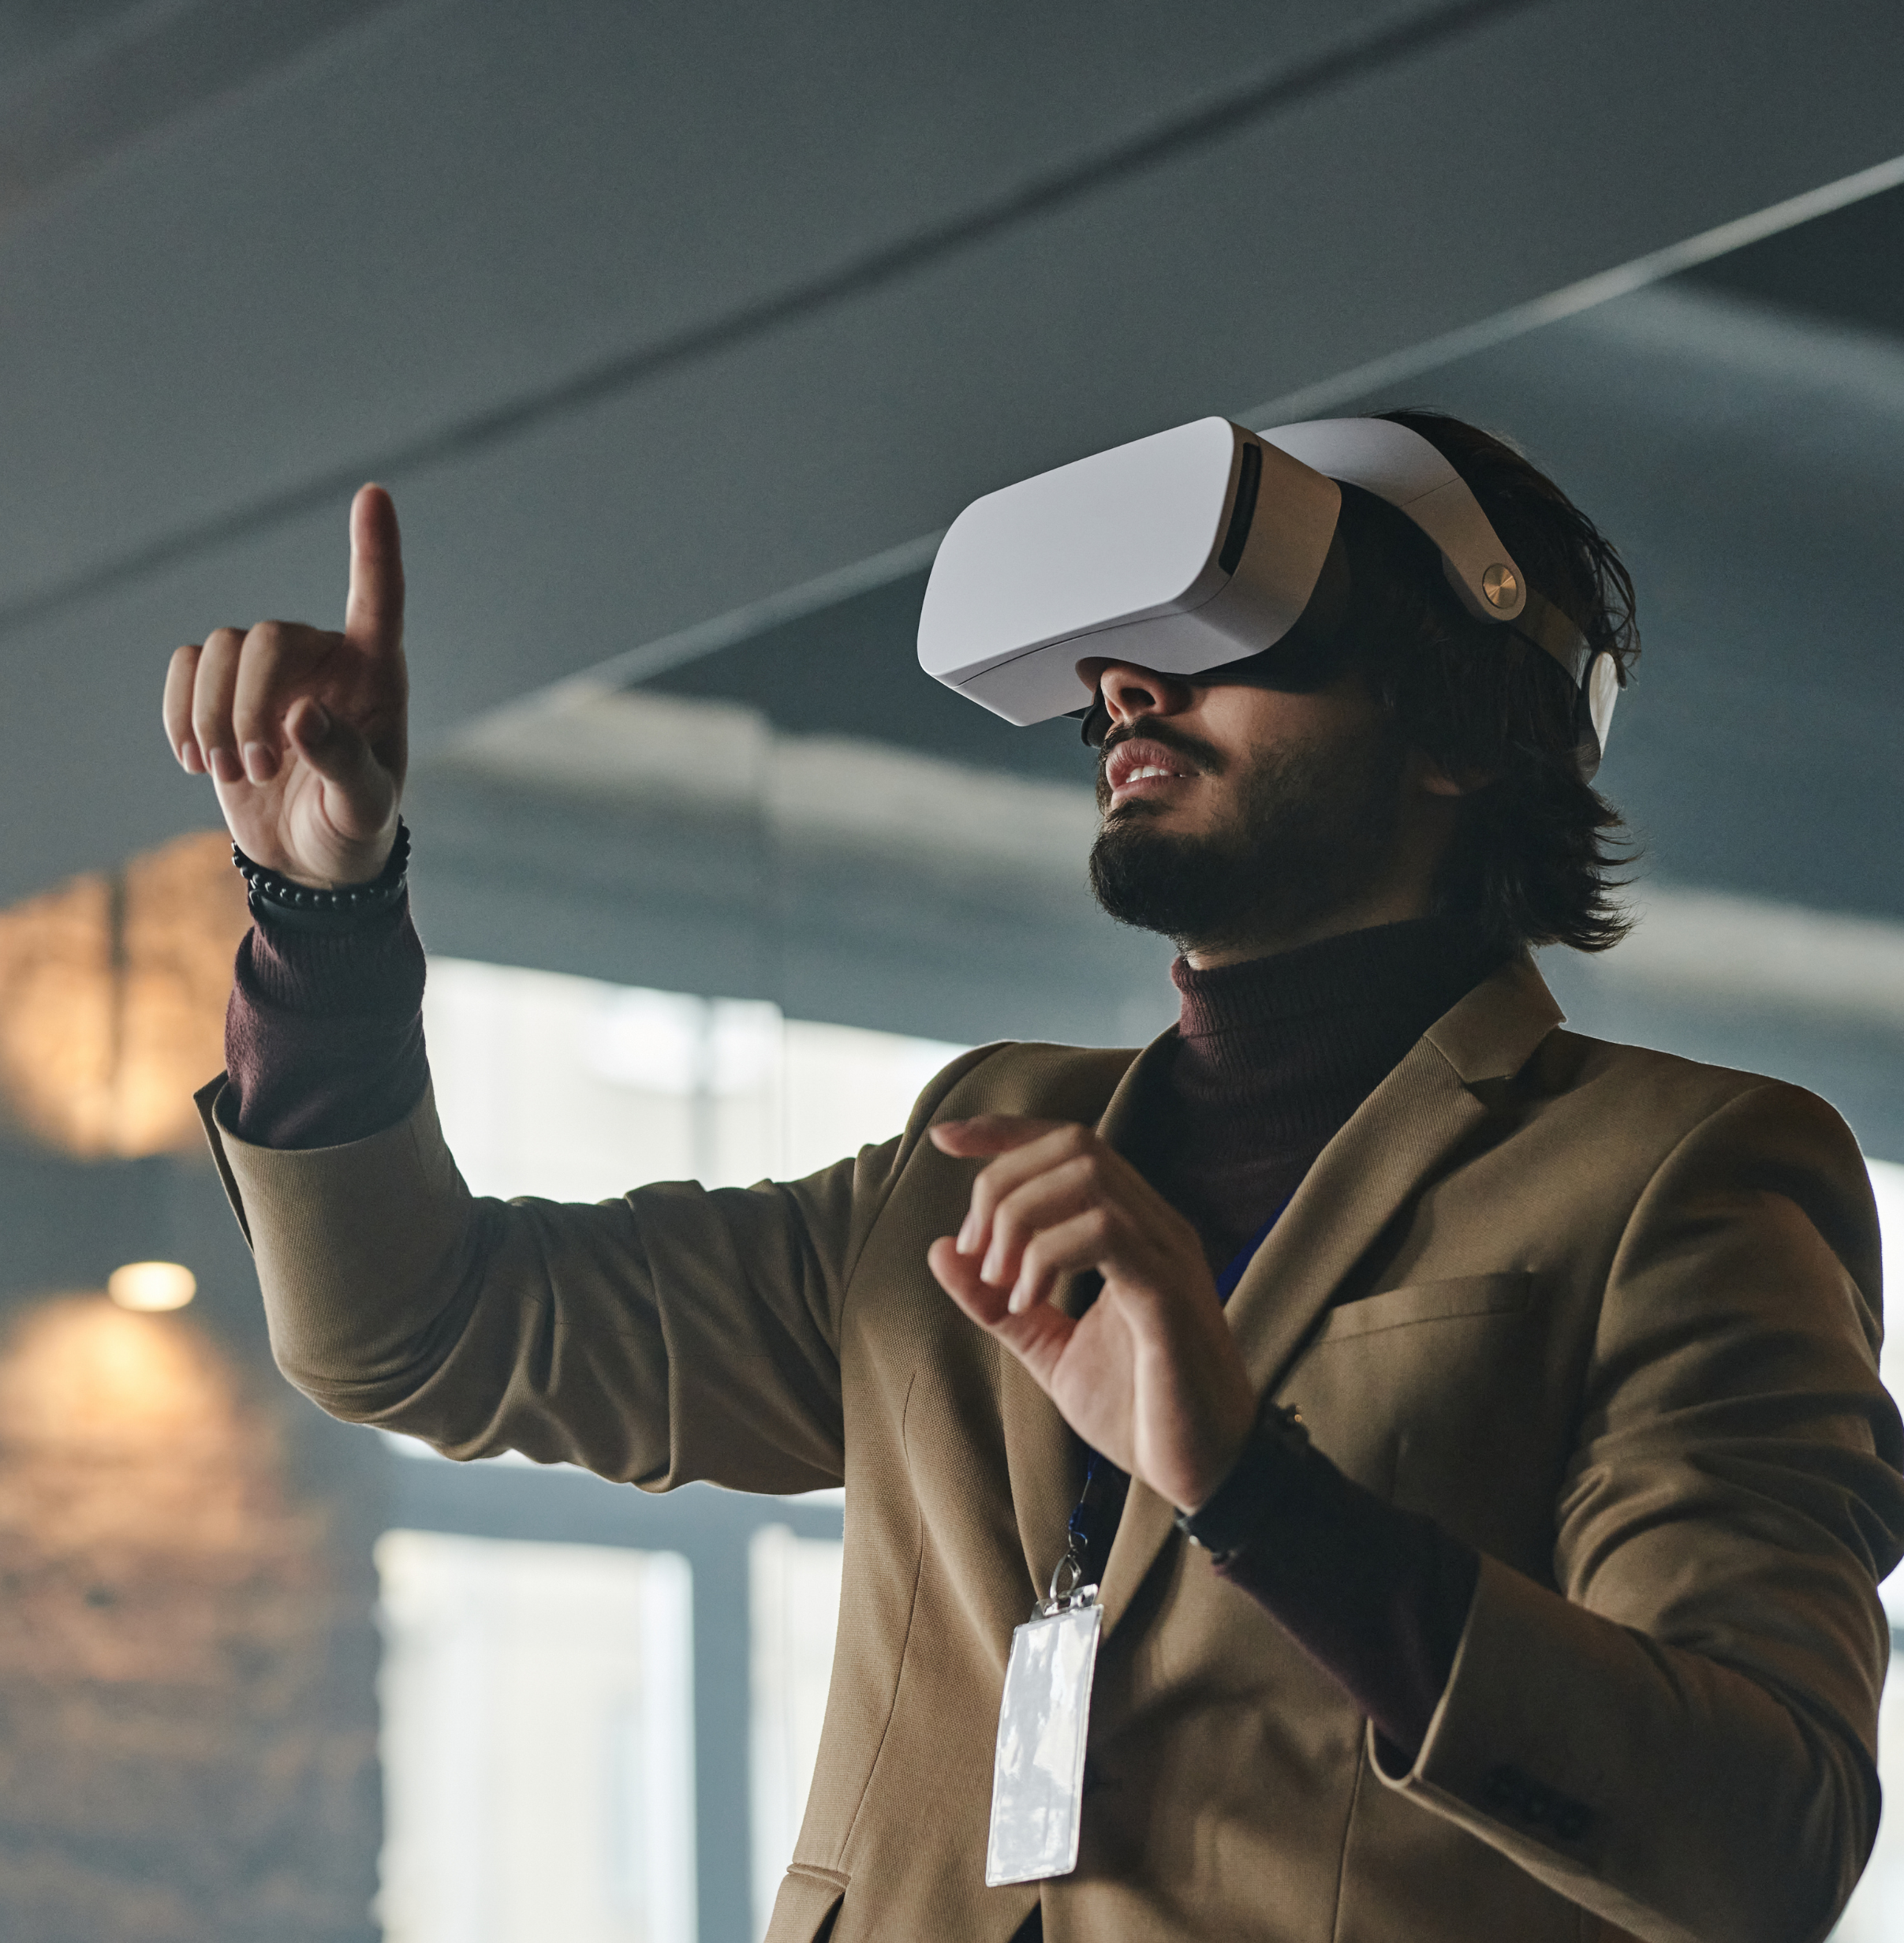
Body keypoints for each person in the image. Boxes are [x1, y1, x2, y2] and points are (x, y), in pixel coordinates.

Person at [161, 412, 1904, 1943]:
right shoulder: (970, 1157)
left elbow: (1764, 1843)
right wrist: (324, 913)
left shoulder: (1678, 1175)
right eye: (1115, 653)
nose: (1126, 689)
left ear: (1453, 730)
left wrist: (1244, 1481)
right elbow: (411, 1331)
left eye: (1236, 629)